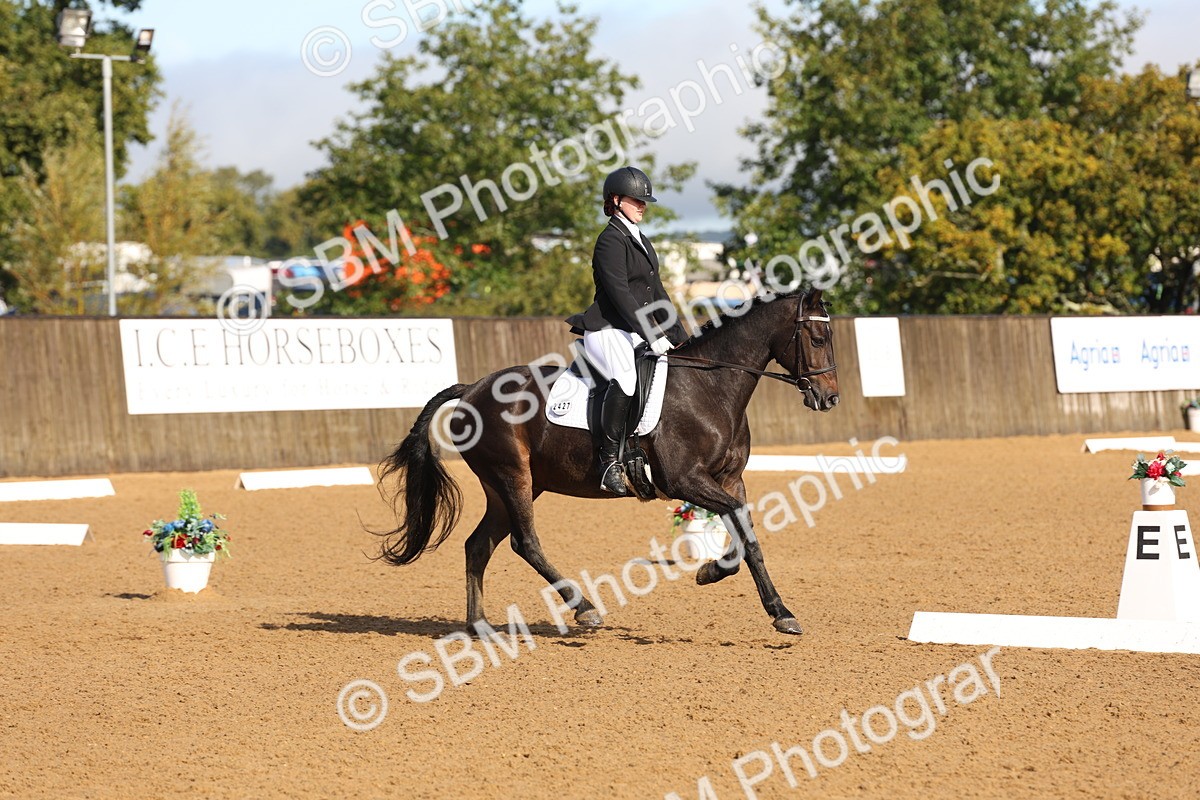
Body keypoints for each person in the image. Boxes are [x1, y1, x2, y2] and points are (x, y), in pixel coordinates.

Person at [566, 166, 688, 495]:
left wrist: (681, 337)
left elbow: (658, 295)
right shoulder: (610, 240)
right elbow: (621, 294)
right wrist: (652, 334)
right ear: (616, 200)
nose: (642, 205)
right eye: (636, 200)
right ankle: (608, 462)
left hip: (632, 330)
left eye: (645, 201)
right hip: (606, 329)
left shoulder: (641, 240)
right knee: (626, 377)